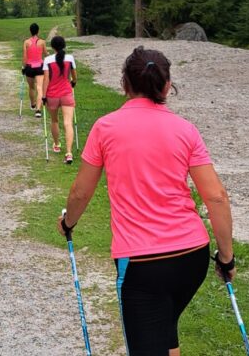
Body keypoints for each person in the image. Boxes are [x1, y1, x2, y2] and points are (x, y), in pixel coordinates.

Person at [58, 47, 235, 356]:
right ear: (166, 86)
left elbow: (80, 193)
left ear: (124, 84)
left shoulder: (105, 127)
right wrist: (226, 257)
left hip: (142, 263)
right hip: (191, 257)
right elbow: (216, 197)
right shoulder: (185, 129)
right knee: (165, 333)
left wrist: (67, 223)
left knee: (152, 338)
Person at [41, 35, 77, 164]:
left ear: (52, 47)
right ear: (64, 45)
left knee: (54, 121)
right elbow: (74, 76)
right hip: (66, 93)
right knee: (68, 123)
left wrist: (43, 96)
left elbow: (46, 79)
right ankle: (69, 153)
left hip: (52, 95)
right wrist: (73, 82)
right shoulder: (70, 58)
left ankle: (56, 144)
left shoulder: (47, 60)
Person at [21, 23, 48, 118]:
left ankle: (33, 104)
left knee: (31, 87)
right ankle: (38, 110)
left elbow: (25, 57)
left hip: (29, 67)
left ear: (30, 31)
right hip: (39, 67)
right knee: (39, 88)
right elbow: (45, 54)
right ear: (38, 31)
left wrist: (23, 67)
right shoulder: (42, 42)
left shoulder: (26, 42)